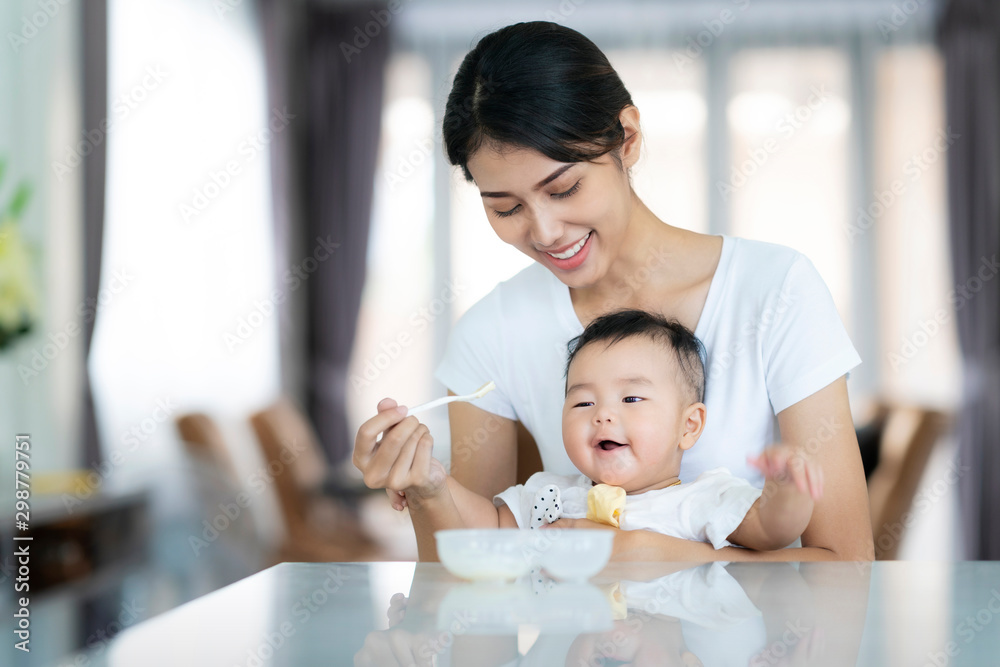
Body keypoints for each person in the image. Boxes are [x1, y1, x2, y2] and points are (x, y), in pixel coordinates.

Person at [355, 20, 873, 561]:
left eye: (565, 188)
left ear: (627, 139)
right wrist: (420, 486)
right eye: (505, 208)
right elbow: (473, 566)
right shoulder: (491, 333)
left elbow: (847, 566)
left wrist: (648, 556)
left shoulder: (775, 290)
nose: (545, 232)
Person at [354, 310, 822, 559]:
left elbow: (770, 532)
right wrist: (433, 480)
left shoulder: (702, 499)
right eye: (582, 402)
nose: (602, 416)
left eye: (631, 400)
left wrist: (787, 491)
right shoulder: (553, 494)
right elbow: (489, 529)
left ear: (689, 425)